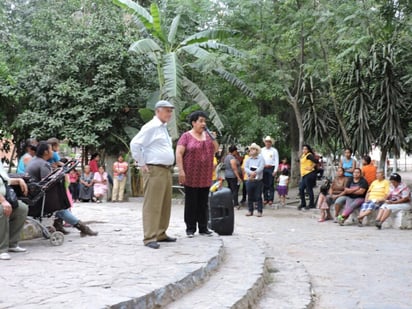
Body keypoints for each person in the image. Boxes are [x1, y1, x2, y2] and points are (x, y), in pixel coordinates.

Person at [130, 100, 177, 249]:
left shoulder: (163, 128)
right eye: (167, 111)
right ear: (158, 111)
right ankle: (149, 237)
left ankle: (161, 232)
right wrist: (141, 162)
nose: (170, 114)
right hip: (154, 169)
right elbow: (135, 144)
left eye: (170, 111)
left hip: (165, 169)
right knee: (153, 204)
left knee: (164, 203)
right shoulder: (151, 127)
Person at [26, 141, 98, 237]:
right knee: (61, 208)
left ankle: (71, 226)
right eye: (51, 149)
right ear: (46, 152)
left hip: (34, 195)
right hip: (39, 199)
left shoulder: (35, 161)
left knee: (60, 208)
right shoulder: (43, 164)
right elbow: (48, 183)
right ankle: (83, 228)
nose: (53, 152)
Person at [176, 111, 219, 237]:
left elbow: (216, 149)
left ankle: (203, 227)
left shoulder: (208, 136)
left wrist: (212, 137)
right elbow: (179, 153)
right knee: (191, 202)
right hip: (190, 175)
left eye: (204, 121)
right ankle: (190, 228)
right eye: (200, 121)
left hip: (205, 175)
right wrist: (181, 170)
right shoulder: (186, 136)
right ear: (193, 123)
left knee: (203, 202)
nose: (203, 123)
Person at [0, 157, 29, 260]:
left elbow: (4, 180)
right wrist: (3, 201)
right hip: (1, 200)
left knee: (22, 209)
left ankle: (12, 243)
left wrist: (18, 180)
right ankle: (1, 249)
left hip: (4, 197)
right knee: (3, 210)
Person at [244, 143, 265, 217]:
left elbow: (261, 167)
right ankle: (250, 210)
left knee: (258, 196)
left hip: (258, 180)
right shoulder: (248, 159)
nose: (251, 150)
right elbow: (245, 167)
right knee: (249, 195)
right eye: (251, 149)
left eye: (253, 149)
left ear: (256, 150)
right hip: (250, 179)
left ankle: (259, 211)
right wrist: (251, 172)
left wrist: (255, 172)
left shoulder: (261, 159)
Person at [298, 144, 318, 210]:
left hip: (309, 174)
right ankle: (303, 203)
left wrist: (311, 167)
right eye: (303, 149)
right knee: (301, 189)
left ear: (308, 150)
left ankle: (311, 204)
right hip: (304, 175)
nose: (304, 150)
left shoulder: (309, 155)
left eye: (306, 149)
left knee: (309, 189)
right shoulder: (303, 155)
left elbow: (316, 161)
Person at [261, 136, 279, 206]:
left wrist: (275, 170)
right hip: (264, 168)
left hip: (271, 167)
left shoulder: (274, 150)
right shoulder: (262, 150)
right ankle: (266, 198)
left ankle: (271, 199)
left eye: (269, 142)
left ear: (271, 143)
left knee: (271, 184)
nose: (268, 143)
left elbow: (276, 161)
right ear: (265, 142)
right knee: (264, 184)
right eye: (266, 142)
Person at [224, 145, 242, 210]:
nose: (236, 152)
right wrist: (238, 177)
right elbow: (234, 168)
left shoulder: (226, 157)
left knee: (230, 189)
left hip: (227, 175)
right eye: (236, 151)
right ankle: (236, 204)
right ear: (234, 151)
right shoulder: (232, 158)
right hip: (232, 176)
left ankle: (229, 203)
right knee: (235, 190)